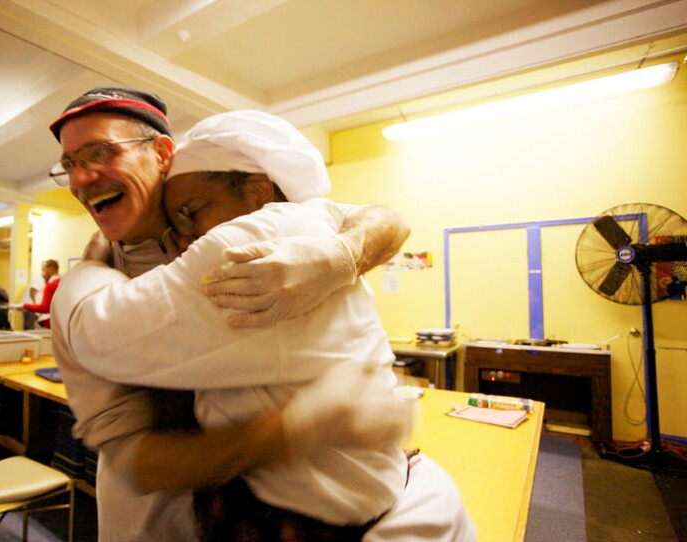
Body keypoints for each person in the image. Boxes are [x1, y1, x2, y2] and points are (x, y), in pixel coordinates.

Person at [55, 109, 476, 540]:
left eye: (101, 152)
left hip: (279, 512)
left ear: (163, 153)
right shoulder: (164, 256)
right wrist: (296, 429)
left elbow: (385, 220)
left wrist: (344, 255)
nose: (82, 178)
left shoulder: (240, 244)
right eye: (69, 164)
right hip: (164, 523)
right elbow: (134, 459)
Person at [11, 259, 60, 328]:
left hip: (46, 318)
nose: (43, 274)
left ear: (51, 269)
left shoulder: (50, 285)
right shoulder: (64, 282)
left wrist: (26, 306)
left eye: (44, 270)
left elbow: (45, 307)